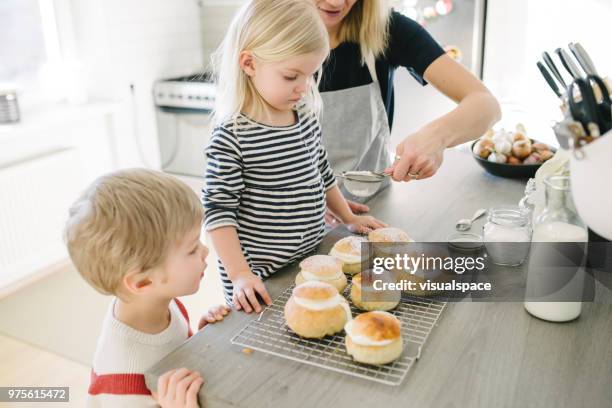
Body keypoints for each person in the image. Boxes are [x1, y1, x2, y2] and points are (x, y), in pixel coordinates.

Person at [203, 0, 387, 314]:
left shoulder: (302, 114)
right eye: (291, 77)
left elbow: (322, 172)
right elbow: (218, 213)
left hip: (308, 261)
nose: (303, 88)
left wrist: (349, 218)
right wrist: (240, 275)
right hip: (261, 281)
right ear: (249, 64)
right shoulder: (232, 136)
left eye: (310, 76)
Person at [314, 0, 502, 219]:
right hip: (288, 217)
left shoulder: (387, 29)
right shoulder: (266, 34)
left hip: (370, 209)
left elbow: (486, 104)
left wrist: (436, 137)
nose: (336, 2)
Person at [65, 169, 229, 407]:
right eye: (193, 248)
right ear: (142, 282)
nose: (206, 251)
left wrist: (199, 340)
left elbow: (173, 350)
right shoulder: (125, 389)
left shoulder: (158, 302)